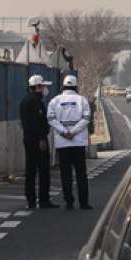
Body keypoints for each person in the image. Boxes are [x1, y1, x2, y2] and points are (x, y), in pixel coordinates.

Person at [48, 74, 92, 210]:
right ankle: (83, 203)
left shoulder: (55, 101)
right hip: (78, 142)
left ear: (63, 86)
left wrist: (63, 131)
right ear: (76, 86)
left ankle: (69, 202)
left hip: (62, 143)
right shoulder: (82, 100)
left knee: (65, 174)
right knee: (81, 174)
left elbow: (51, 118)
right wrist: (73, 131)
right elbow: (86, 118)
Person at [19, 75, 58, 209]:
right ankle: (43, 200)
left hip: (28, 139)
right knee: (43, 170)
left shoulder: (24, 101)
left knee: (30, 170)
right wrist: (42, 138)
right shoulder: (36, 102)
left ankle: (31, 200)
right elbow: (37, 122)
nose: (44, 89)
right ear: (36, 87)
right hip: (38, 140)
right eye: (42, 86)